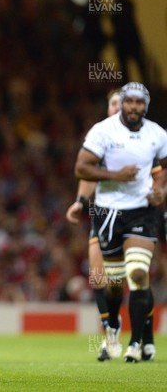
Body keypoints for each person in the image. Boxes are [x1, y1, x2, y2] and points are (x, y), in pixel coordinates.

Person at [74, 82, 167, 362]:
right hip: (108, 213)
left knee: (138, 274)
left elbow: (162, 169)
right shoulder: (103, 131)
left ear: (145, 105)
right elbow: (81, 167)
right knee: (113, 284)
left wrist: (161, 190)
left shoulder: (158, 134)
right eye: (130, 102)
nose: (134, 107)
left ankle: (137, 343)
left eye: (140, 103)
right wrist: (116, 175)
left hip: (142, 211)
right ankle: (113, 324)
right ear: (122, 103)